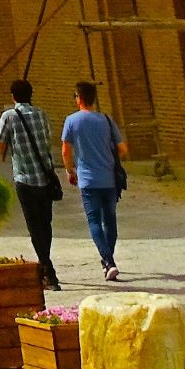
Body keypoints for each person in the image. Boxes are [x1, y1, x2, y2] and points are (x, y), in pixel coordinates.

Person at [0, 76, 61, 289]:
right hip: (45, 177)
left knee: (34, 225)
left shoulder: (9, 116)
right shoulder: (41, 114)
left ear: (13, 97)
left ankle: (48, 270)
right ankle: (45, 263)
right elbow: (47, 139)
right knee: (45, 224)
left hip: (25, 178)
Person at [61, 79, 128, 281]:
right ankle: (108, 261)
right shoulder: (106, 120)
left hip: (88, 179)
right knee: (110, 220)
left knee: (94, 221)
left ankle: (108, 261)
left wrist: (70, 170)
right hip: (109, 179)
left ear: (79, 98)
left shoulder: (72, 121)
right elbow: (123, 149)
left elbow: (66, 150)